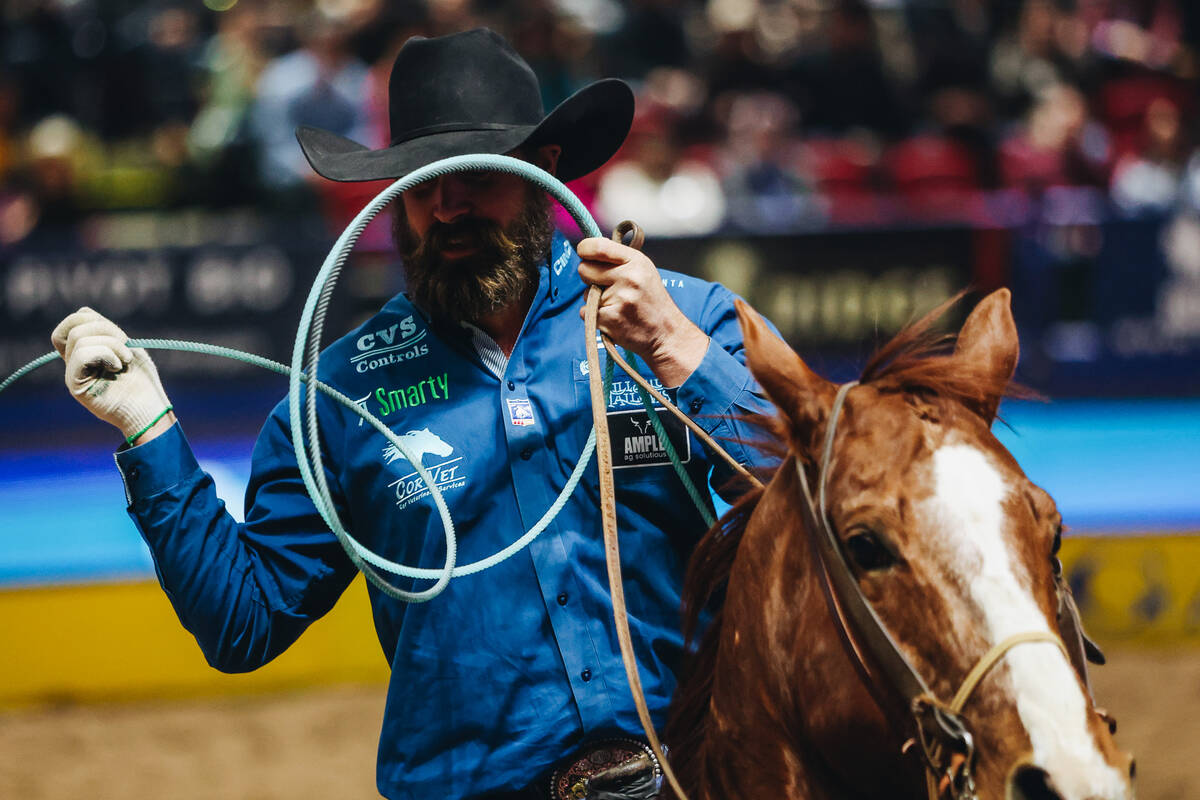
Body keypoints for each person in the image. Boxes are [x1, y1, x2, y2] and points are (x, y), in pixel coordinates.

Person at [51, 29, 772, 800]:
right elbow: (243, 621)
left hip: (699, 773)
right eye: (420, 180)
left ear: (544, 170)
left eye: (472, 175)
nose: (445, 206)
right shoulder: (341, 392)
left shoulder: (683, 321)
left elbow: (808, 499)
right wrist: (148, 428)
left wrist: (676, 349)